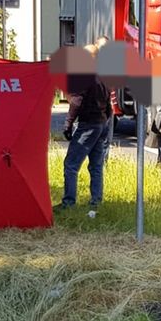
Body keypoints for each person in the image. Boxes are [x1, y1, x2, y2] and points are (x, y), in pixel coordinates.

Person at [57, 44, 111, 211]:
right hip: (101, 124)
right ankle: (96, 201)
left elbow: (76, 102)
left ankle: (69, 203)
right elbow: (109, 105)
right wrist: (106, 122)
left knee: (71, 165)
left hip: (88, 125)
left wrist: (68, 124)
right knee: (96, 166)